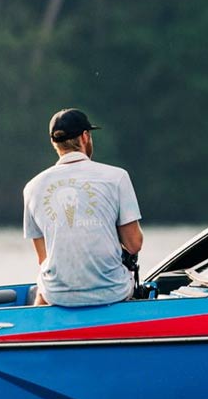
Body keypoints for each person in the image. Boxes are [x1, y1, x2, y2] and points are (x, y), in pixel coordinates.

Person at [21, 108, 143, 307]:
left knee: (42, 290)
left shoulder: (32, 187)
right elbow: (134, 244)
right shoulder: (117, 177)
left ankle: (39, 330)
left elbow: (43, 259)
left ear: (54, 142)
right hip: (112, 292)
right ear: (85, 137)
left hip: (58, 296)